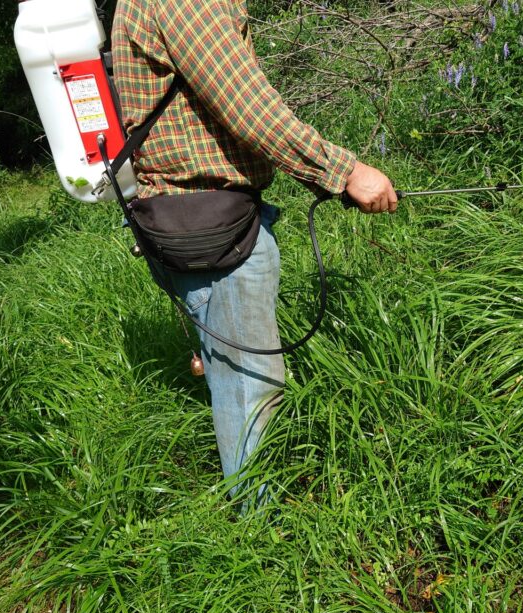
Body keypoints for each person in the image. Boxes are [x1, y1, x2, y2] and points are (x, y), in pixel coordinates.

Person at [111, 0, 397, 496]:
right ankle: (257, 536)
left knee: (231, 377)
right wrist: (346, 172)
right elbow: (250, 109)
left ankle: (254, 519)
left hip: (189, 214)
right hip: (210, 223)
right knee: (250, 390)